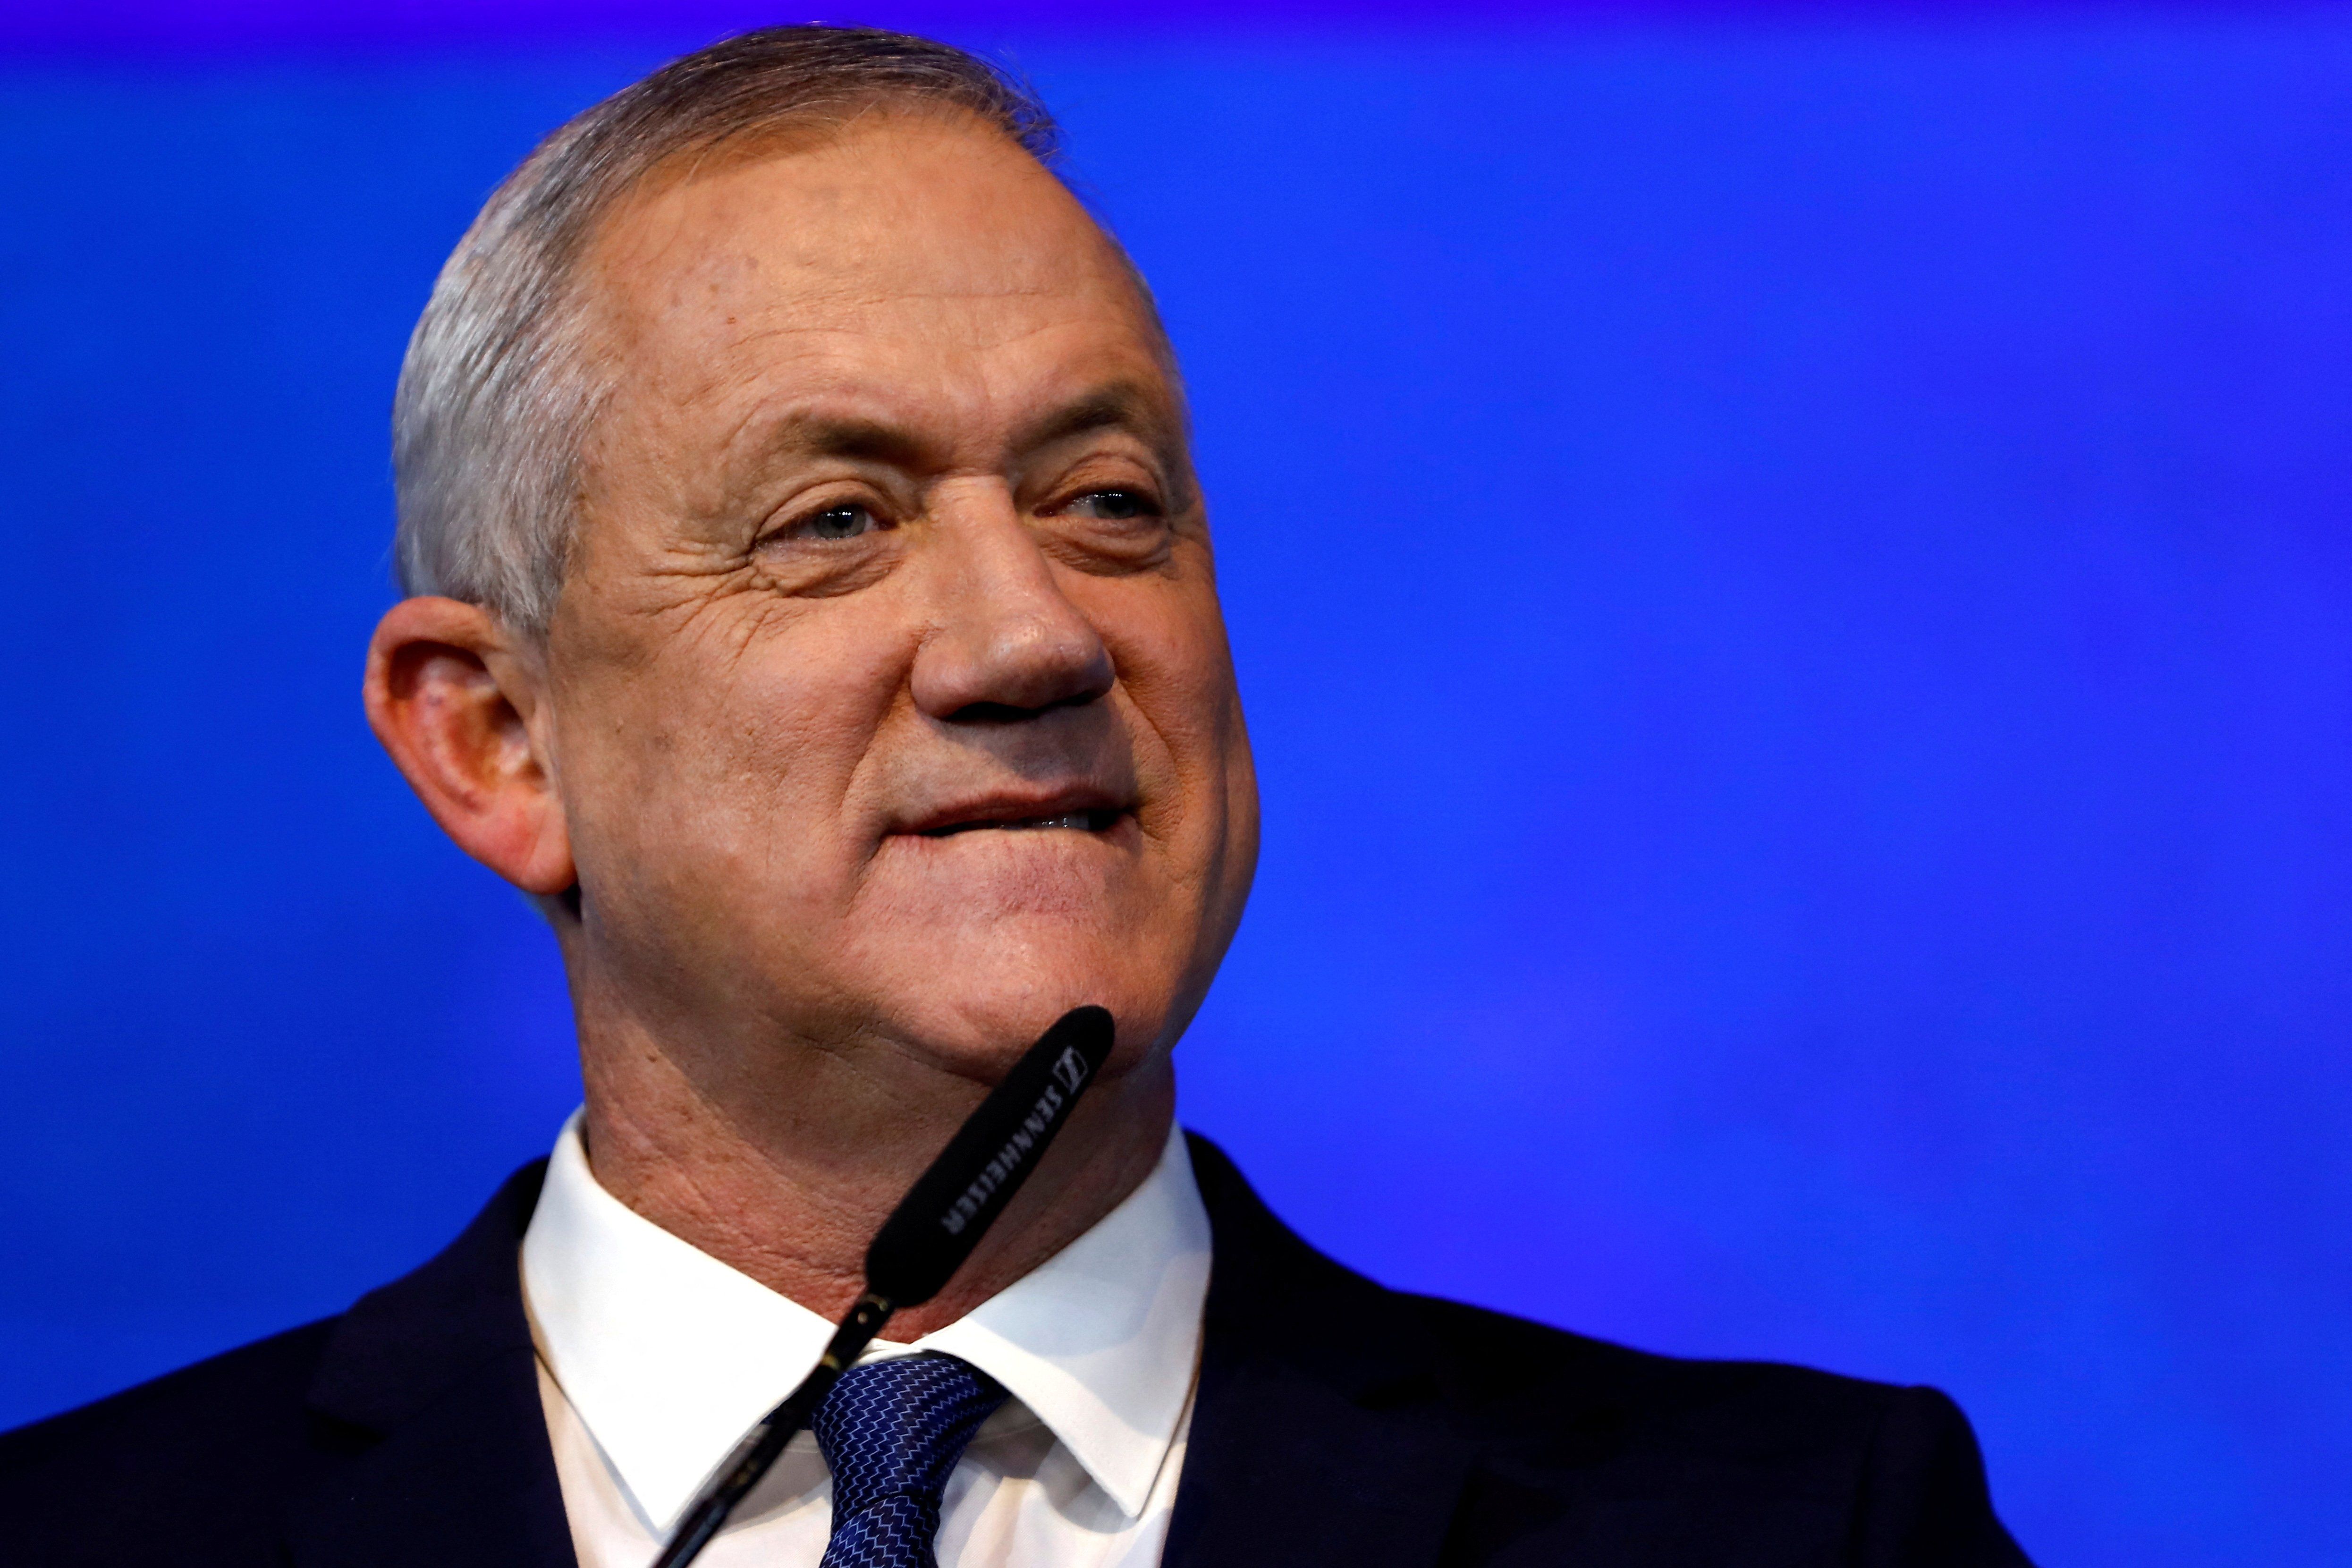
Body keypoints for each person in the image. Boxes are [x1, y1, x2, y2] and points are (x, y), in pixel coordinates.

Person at [0, 25, 2031, 1568]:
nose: (1030, 637)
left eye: (1108, 502)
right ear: (495, 742)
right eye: (834, 521)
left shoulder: (1804, 1533)